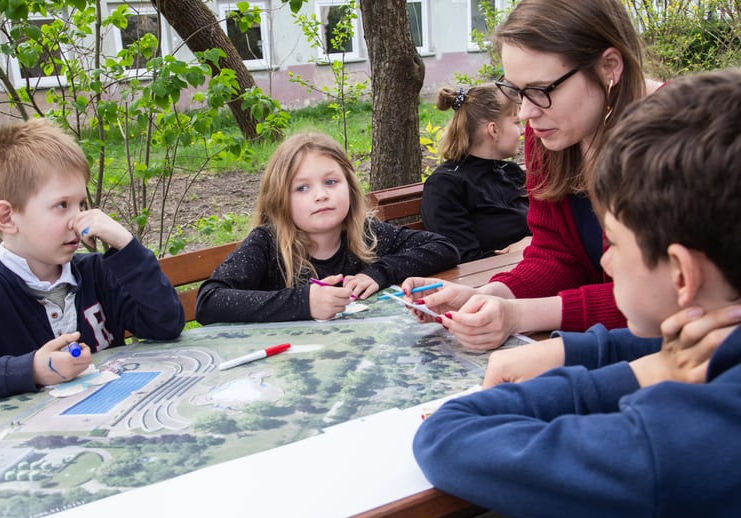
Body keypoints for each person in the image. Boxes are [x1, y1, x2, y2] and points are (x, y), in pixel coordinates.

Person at [413, 68, 741, 518]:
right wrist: (577, 348)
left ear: (681, 274)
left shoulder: (675, 447)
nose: (604, 260)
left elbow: (449, 437)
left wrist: (636, 372)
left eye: (615, 243)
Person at [403, 0, 662, 350]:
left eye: (540, 90)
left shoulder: (677, 141)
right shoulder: (550, 134)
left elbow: (661, 297)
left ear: (609, 68)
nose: (525, 113)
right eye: (516, 90)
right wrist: (486, 296)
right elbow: (555, 254)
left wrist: (519, 314)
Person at [0, 119, 185, 404]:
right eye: (62, 205)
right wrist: (30, 370)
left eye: (81, 205)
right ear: (7, 218)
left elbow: (166, 325)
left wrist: (126, 246)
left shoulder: (97, 272)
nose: (77, 220)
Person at [195, 132, 459, 324]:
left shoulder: (366, 234)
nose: (320, 195)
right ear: (279, 199)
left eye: (331, 182)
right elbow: (209, 301)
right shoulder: (267, 244)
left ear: (350, 187)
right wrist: (305, 302)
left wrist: (379, 273)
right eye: (302, 188)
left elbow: (444, 248)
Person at [421, 83, 529, 263]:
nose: (523, 130)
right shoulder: (446, 186)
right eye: (517, 122)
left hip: (535, 270)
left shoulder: (510, 172)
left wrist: (532, 243)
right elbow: (462, 259)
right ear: (493, 129)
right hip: (488, 283)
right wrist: (525, 251)